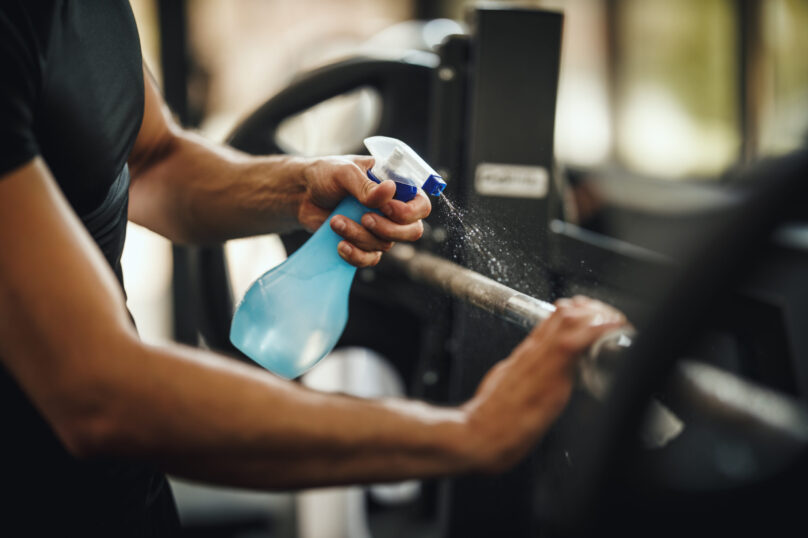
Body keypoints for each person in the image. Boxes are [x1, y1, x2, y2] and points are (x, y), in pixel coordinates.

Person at [0, 1, 627, 535]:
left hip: (127, 499)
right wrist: (468, 433)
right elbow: (95, 392)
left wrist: (297, 184)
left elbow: (153, 161)